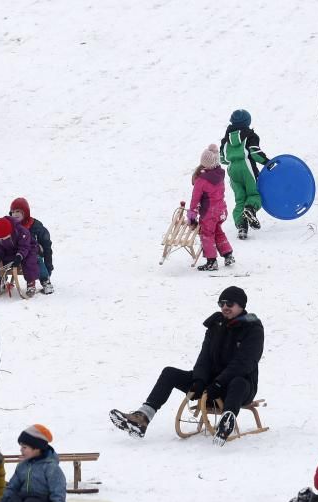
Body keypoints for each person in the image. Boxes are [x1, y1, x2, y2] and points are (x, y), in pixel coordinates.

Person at [110, 286, 264, 446]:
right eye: (222, 303)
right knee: (169, 373)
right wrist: (199, 380)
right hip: (210, 384)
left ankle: (226, 421)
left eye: (230, 303)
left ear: (241, 305)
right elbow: (204, 357)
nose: (225, 307)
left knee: (238, 382)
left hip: (240, 387)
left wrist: (219, 383)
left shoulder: (253, 328)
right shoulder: (216, 325)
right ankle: (142, 418)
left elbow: (245, 363)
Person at [219, 110, 268, 240]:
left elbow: (222, 159)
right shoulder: (250, 135)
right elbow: (255, 153)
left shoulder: (225, 140)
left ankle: (241, 226)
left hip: (233, 170)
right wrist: (267, 162)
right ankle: (250, 210)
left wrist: (233, 157)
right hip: (247, 168)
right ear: (248, 122)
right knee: (254, 194)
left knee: (240, 198)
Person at [189, 144, 234, 271]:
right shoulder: (219, 175)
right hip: (221, 210)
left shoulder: (201, 180)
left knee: (207, 234)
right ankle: (228, 254)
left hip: (209, 213)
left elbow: (195, 201)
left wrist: (191, 217)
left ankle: (211, 261)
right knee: (218, 231)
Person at [0, 216, 39, 297]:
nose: (3, 239)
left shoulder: (21, 231)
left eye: (5, 237)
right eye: (1, 238)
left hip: (27, 249)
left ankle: (31, 282)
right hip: (9, 251)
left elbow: (24, 246)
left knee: (29, 261)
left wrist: (19, 256)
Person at [8, 198, 54, 294]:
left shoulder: (36, 226)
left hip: (34, 252)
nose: (15, 214)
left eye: (18, 211)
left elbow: (47, 246)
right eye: (13, 212)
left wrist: (48, 267)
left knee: (35, 258)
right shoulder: (10, 225)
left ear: (25, 212)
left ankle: (45, 281)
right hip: (17, 253)